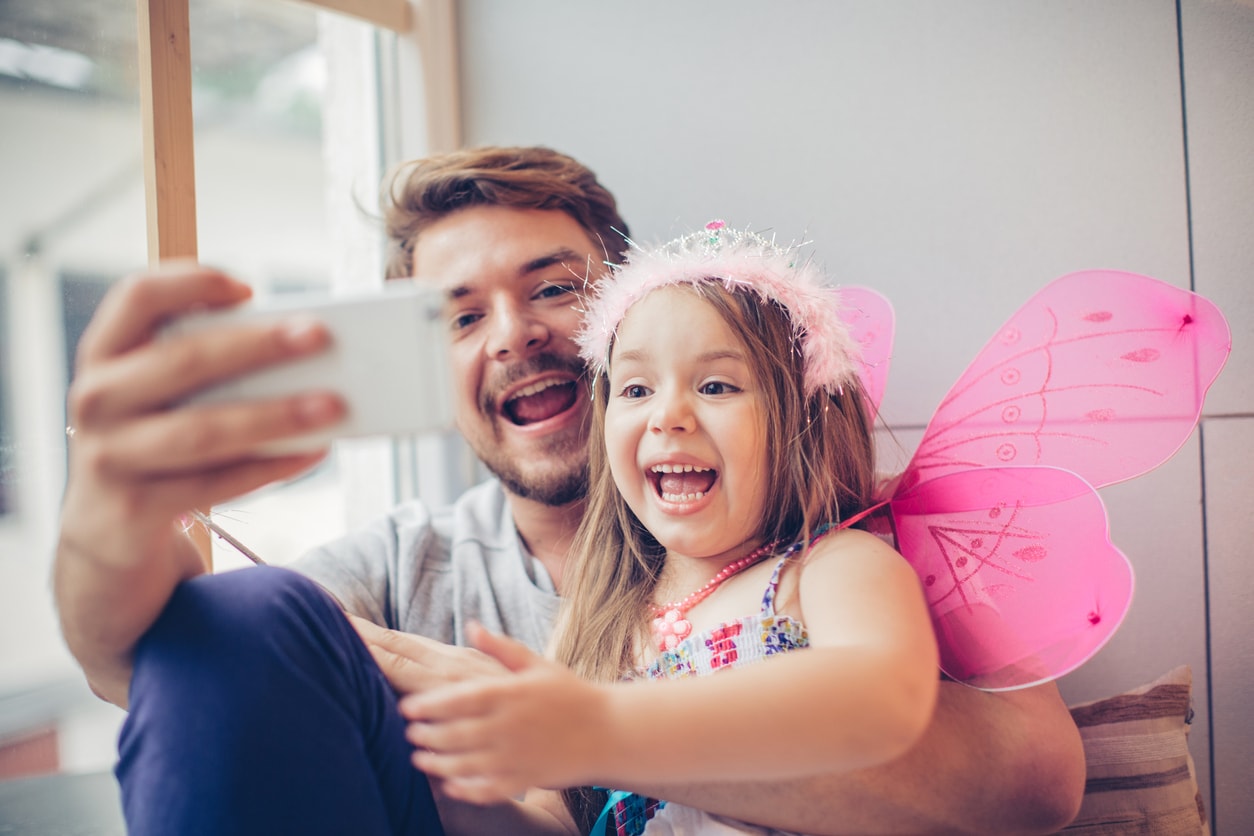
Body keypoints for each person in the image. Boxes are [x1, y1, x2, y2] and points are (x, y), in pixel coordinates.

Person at [53, 146, 1086, 834]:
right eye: (459, 316)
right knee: (239, 608)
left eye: (555, 288)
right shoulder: (480, 580)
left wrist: (587, 722)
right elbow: (143, 660)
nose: (513, 333)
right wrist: (114, 514)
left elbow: (1028, 776)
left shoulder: (848, 540)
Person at [397, 224, 943, 836]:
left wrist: (602, 725)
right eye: (635, 388)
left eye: (715, 386)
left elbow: (880, 703)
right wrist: (456, 795)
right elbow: (559, 821)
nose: (667, 416)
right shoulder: (595, 622)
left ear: (802, 424)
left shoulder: (833, 568)